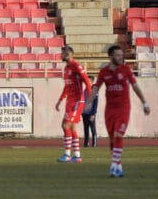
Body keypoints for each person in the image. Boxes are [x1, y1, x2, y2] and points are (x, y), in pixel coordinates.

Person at [86, 45, 150, 178]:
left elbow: (135, 86)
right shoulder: (104, 72)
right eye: (118, 55)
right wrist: (88, 102)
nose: (121, 57)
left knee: (118, 135)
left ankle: (113, 166)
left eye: (121, 55)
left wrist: (144, 102)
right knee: (112, 139)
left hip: (123, 108)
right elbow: (96, 88)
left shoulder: (126, 69)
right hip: (110, 110)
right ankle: (118, 167)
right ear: (111, 57)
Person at [55, 46, 92, 164]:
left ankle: (67, 155)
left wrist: (89, 100)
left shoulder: (77, 66)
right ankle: (77, 156)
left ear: (69, 54)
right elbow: (67, 86)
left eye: (62, 53)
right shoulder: (66, 68)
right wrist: (60, 100)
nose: (61, 55)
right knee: (71, 127)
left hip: (77, 100)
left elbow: (87, 82)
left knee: (65, 125)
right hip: (70, 101)